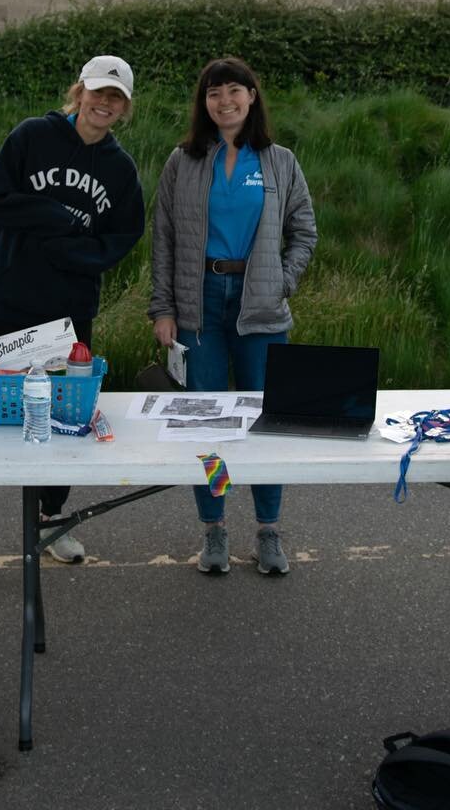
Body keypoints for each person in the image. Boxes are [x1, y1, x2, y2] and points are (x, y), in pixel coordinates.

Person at [0, 56, 145, 596]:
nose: (105, 104)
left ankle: (52, 522)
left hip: (69, 313)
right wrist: (57, 218)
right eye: (98, 92)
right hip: (7, 302)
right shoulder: (31, 136)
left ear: (125, 107)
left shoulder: (120, 169)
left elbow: (121, 237)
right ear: (79, 92)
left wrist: (74, 251)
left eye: (115, 98)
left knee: (65, 419)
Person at [149, 57, 317, 576]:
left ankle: (268, 529)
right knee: (209, 423)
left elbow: (304, 231)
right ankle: (215, 529)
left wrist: (280, 281)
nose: (225, 101)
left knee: (268, 422)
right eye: (214, 93)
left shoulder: (278, 160)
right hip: (199, 304)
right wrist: (164, 308)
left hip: (261, 308)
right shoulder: (183, 160)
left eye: (235, 91)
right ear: (204, 103)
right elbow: (165, 239)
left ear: (252, 96)